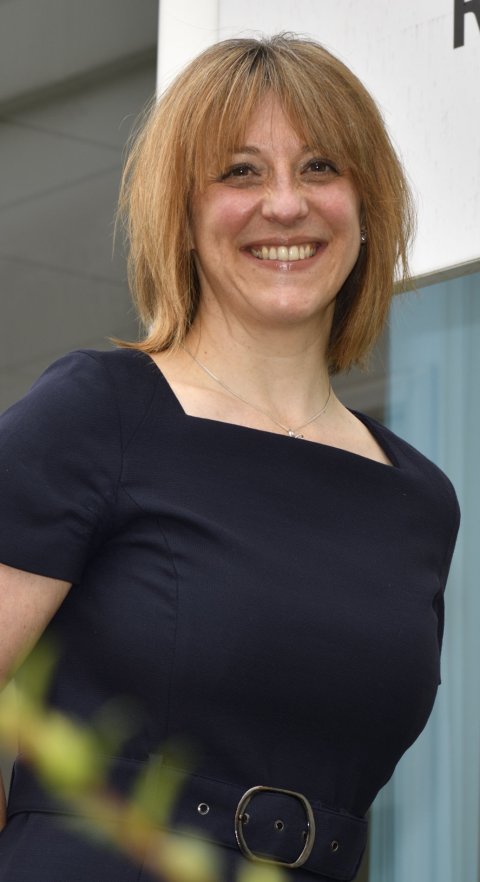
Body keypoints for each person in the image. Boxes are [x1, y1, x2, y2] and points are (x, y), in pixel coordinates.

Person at [0, 33, 460, 882]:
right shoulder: (101, 412)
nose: (285, 205)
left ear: (368, 207)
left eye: (321, 167)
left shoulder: (419, 499)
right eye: (240, 173)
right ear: (181, 212)